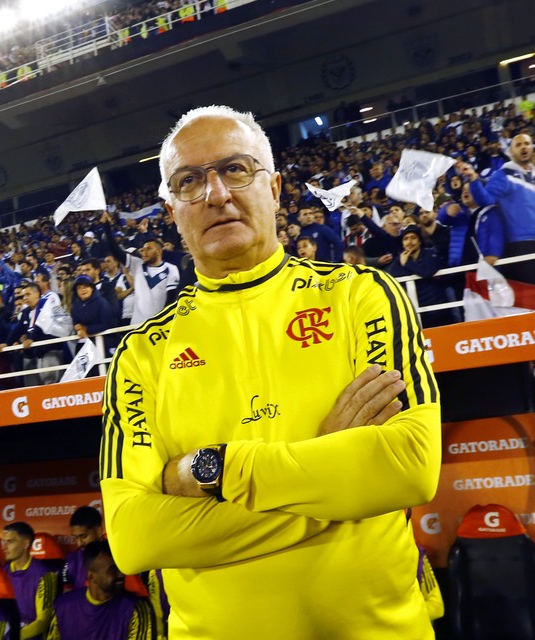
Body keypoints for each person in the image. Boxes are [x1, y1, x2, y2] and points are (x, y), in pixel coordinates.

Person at [100, 106, 440, 638]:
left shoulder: (361, 295)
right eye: (189, 182)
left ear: (275, 187)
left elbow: (409, 467)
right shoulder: (141, 354)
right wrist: (331, 476)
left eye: (235, 169)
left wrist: (218, 469)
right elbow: (133, 539)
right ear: (172, 212)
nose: (215, 194)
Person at [458, 133, 535, 285]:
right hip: (519, 247)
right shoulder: (503, 175)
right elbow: (485, 199)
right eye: (518, 145)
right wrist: (473, 178)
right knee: (533, 302)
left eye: (527, 143)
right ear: (511, 151)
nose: (524, 147)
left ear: (532, 148)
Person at [47, 541, 154, 640]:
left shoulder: (135, 608)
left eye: (120, 568)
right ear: (92, 577)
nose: (121, 574)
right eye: (112, 570)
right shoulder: (62, 607)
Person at [101, 214, 179, 324]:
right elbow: (116, 251)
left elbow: (171, 300)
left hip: (160, 326)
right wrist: (107, 227)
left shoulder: (171, 269)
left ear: (159, 251)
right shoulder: (137, 265)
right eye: (143, 249)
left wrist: (161, 322)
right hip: (137, 326)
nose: (144, 251)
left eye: (148, 249)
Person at [2, 522, 58, 640]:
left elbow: (43, 621)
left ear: (26, 544)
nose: (4, 547)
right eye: (4, 542)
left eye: (10, 542)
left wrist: (13, 636)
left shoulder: (45, 575)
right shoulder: (1, 574)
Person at [388, 226, 453, 327]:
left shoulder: (430, 254)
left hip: (438, 311)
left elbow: (427, 272)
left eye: (413, 238)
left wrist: (407, 264)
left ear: (419, 241)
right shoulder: (399, 260)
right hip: (416, 315)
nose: (409, 242)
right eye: (406, 239)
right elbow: (392, 277)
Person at [62, 506, 104, 591]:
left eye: (83, 536)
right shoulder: (71, 560)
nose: (79, 543)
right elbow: (67, 594)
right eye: (75, 537)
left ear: (99, 531)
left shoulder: (115, 557)